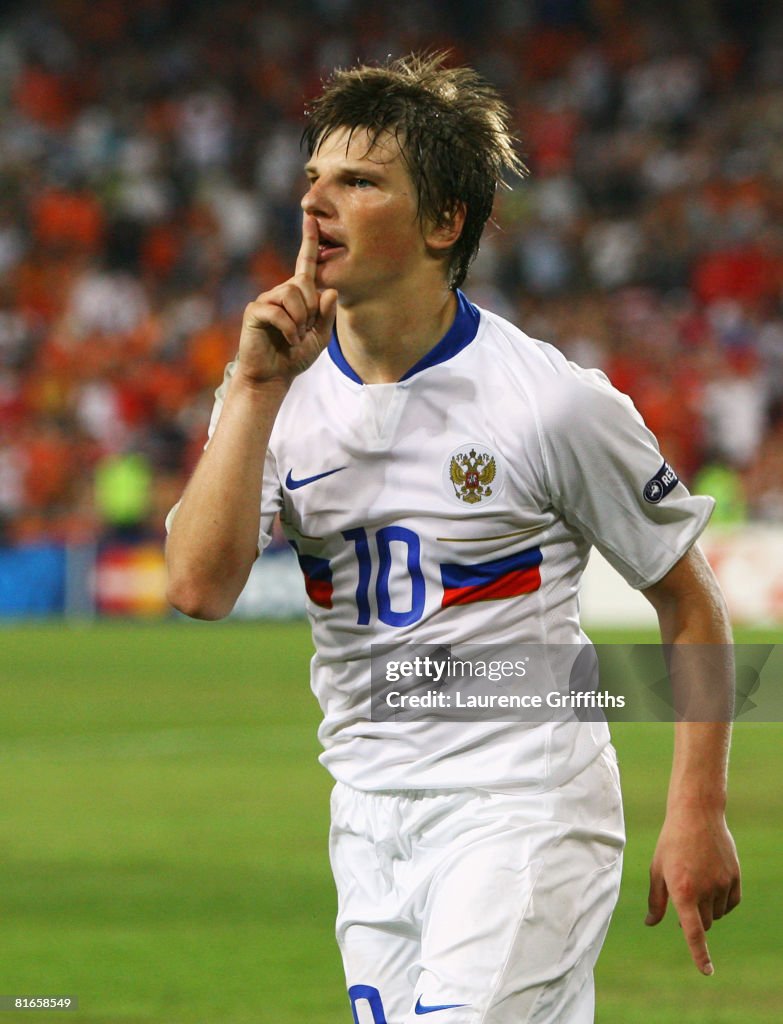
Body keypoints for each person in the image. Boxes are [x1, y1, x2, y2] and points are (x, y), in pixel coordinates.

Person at [165, 53, 741, 1024]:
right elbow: (195, 588)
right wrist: (255, 390)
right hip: (368, 818)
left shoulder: (550, 404)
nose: (317, 203)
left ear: (444, 222)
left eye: (359, 181)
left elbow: (689, 603)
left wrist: (697, 809)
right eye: (313, 177)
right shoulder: (275, 385)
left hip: (523, 805)